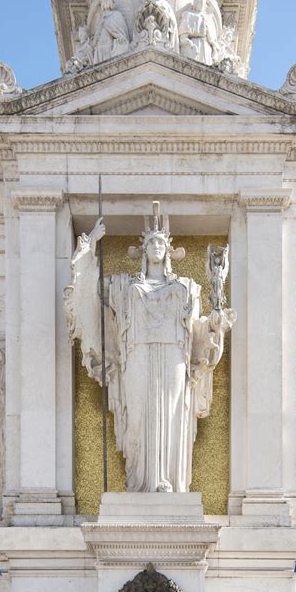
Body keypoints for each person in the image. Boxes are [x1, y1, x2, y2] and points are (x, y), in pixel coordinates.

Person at [64, 203, 235, 494]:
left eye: (161, 242)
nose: (156, 246)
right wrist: (89, 247)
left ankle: (166, 481)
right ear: (143, 250)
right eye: (151, 242)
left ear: (169, 251)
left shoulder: (187, 287)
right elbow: (87, 294)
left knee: (170, 415)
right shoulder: (123, 285)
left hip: (173, 356)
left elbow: (196, 329)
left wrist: (214, 322)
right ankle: (139, 481)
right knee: (138, 415)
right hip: (137, 355)